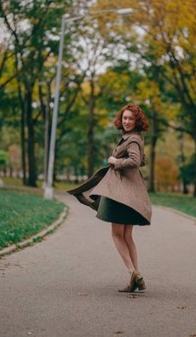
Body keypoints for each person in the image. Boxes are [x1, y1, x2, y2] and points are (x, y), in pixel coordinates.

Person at [68, 103, 152, 293]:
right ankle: (136, 276)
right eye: (125, 118)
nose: (127, 121)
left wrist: (115, 161)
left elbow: (135, 161)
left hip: (121, 193)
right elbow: (142, 160)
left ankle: (133, 272)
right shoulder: (136, 137)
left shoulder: (132, 140)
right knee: (127, 235)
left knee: (116, 234)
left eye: (131, 118)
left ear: (137, 121)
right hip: (131, 193)